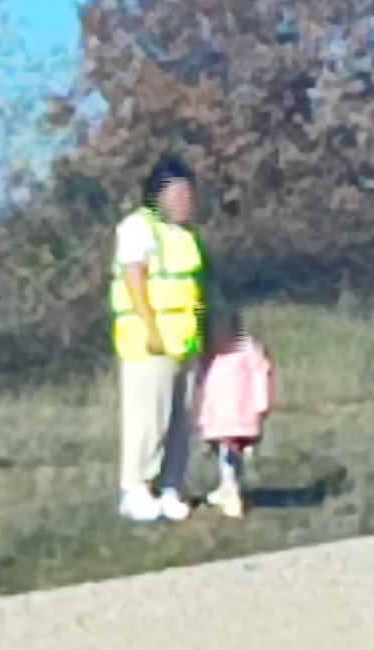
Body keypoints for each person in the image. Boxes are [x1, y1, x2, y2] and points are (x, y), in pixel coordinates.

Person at [109, 155, 207, 522]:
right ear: (159, 194)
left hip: (185, 341)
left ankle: (171, 485)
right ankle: (135, 488)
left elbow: (192, 289)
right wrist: (150, 329)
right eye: (180, 192)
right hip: (149, 341)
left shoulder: (184, 236)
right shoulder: (137, 228)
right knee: (147, 419)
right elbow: (135, 279)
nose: (187, 200)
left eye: (189, 193)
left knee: (182, 419)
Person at [193, 311, 273, 518]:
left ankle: (232, 492)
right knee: (226, 452)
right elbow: (203, 384)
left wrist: (261, 405)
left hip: (238, 414)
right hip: (220, 416)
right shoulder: (209, 352)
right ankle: (228, 486)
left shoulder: (247, 349)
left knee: (230, 453)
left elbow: (260, 374)